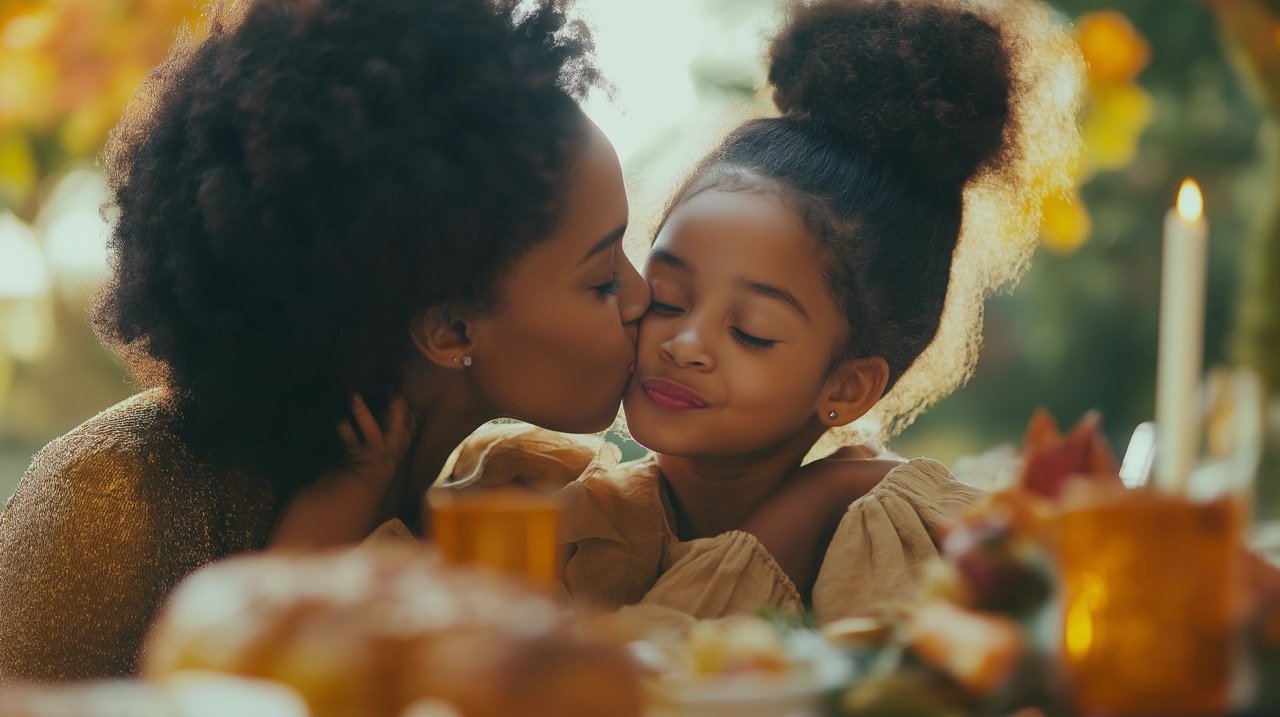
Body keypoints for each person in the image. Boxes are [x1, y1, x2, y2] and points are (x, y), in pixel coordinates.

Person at [0, 0, 650, 681]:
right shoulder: (108, 500)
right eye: (604, 279)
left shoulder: (498, 496)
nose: (644, 297)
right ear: (449, 329)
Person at [446, 0, 1083, 625]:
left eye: (750, 333)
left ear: (847, 386)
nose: (684, 343)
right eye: (667, 299)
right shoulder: (550, 511)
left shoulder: (900, 539)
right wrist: (801, 510)